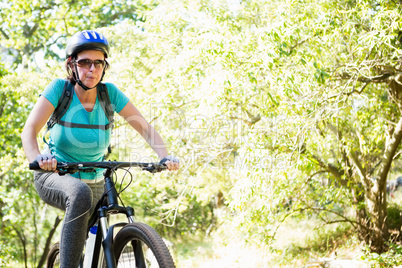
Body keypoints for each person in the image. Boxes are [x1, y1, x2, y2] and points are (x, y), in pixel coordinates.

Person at [21, 30, 179, 267]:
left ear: (105, 66)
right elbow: (29, 130)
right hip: (54, 175)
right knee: (80, 195)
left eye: (98, 63)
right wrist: (39, 158)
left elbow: (144, 128)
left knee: (109, 210)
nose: (91, 69)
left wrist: (164, 155)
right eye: (84, 62)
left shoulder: (109, 94)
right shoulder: (59, 90)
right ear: (71, 65)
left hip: (95, 177)